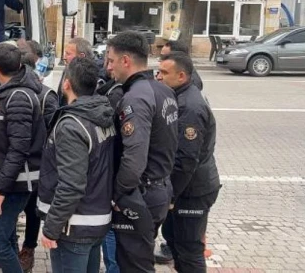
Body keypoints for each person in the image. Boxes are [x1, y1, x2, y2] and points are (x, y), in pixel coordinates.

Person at [104, 31, 179, 273]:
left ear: (126, 60)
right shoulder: (163, 90)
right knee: (140, 260)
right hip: (159, 189)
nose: (108, 67)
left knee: (134, 265)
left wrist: (119, 194)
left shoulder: (135, 98)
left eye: (111, 60)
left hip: (140, 194)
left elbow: (134, 157)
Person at [37, 56, 116, 273]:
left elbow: (71, 185)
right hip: (96, 220)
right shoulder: (101, 114)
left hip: (73, 226)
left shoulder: (72, 125)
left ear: (66, 84)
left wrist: (51, 228)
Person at [0, 51, 57, 271]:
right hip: (9, 181)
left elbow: (19, 148)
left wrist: (0, 189)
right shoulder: (8, 92)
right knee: (7, 239)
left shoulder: (18, 96)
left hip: (14, 184)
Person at [156, 52, 221, 273]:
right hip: (187, 187)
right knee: (175, 241)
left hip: (192, 191)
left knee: (189, 249)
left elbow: (185, 159)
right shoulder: (180, 96)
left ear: (181, 76)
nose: (159, 76)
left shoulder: (190, 107)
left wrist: (171, 196)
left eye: (164, 73)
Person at [94, 55, 122, 273]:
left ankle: (113, 268)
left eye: (112, 61)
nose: (109, 66)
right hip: (114, 172)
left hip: (116, 174)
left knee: (111, 229)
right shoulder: (113, 89)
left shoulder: (116, 94)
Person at [58, 37, 93, 107]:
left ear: (81, 56)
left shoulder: (94, 77)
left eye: (68, 54)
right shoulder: (67, 70)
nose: (64, 57)